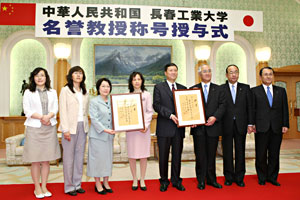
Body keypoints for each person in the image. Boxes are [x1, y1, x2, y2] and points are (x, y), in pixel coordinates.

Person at [22, 67, 61, 199]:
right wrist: (42, 117)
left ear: (46, 78)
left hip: (49, 127)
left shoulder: (52, 92)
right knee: (35, 160)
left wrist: (48, 116)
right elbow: (26, 110)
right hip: (34, 128)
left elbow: (55, 108)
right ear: (33, 78)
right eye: (37, 75)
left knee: (45, 160)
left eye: (42, 75)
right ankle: (37, 187)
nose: (40, 78)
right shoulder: (28, 92)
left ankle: (44, 185)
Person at [190, 64, 226, 190]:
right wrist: (191, 119)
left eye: (209, 71)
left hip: (213, 127)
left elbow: (222, 106)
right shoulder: (193, 89)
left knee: (211, 155)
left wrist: (215, 117)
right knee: (200, 156)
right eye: (204, 71)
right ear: (200, 74)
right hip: (198, 128)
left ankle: (211, 179)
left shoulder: (219, 89)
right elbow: (189, 108)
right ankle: (200, 180)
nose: (207, 73)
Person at [251, 66, 289, 186]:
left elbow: (285, 109)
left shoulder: (281, 91)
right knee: (261, 154)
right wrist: (252, 124)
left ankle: (272, 177)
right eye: (266, 74)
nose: (268, 76)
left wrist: (285, 124)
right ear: (260, 77)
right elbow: (252, 110)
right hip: (261, 127)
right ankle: (262, 177)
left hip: (277, 127)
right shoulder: (254, 91)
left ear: (273, 76)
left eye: (270, 74)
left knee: (274, 154)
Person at [153, 63, 186, 192]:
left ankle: (176, 180)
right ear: (165, 73)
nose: (173, 72)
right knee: (163, 157)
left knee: (177, 156)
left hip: (179, 128)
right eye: (170, 70)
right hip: (164, 127)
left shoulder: (183, 88)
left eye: (175, 70)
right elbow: (156, 105)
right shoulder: (159, 87)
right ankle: (164, 181)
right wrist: (170, 115)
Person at [220, 64, 253, 187]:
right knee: (227, 152)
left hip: (241, 124)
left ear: (238, 74)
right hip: (226, 125)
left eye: (236, 72)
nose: (233, 74)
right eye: (231, 72)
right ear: (226, 75)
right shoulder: (221, 89)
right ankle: (228, 177)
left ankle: (240, 177)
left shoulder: (245, 88)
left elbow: (250, 107)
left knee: (240, 151)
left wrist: (250, 123)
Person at [58, 66, 89, 196]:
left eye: (80, 73)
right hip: (69, 128)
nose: (78, 75)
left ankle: (77, 184)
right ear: (71, 75)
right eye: (75, 73)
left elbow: (86, 111)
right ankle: (69, 186)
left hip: (83, 127)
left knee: (79, 157)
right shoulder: (65, 90)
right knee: (68, 158)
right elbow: (63, 110)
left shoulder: (85, 91)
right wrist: (65, 129)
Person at [87, 78, 115, 195]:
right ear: (98, 88)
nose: (105, 88)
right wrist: (105, 129)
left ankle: (106, 182)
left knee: (107, 160)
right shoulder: (94, 101)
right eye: (103, 86)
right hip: (98, 135)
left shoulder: (112, 101)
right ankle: (98, 183)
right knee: (97, 160)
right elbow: (93, 118)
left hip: (109, 136)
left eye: (107, 86)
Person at [126, 72, 153, 191]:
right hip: (131, 130)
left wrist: (145, 125)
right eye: (134, 79)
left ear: (142, 81)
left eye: (139, 79)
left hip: (143, 130)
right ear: (131, 82)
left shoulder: (146, 94)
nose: (137, 81)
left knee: (143, 155)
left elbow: (149, 111)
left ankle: (142, 179)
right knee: (132, 155)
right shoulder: (127, 95)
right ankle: (134, 179)